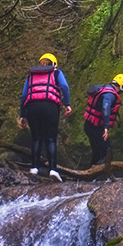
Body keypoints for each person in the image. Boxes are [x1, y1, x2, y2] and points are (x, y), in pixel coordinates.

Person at [18, 53, 71, 181]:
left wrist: (23, 115)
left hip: (32, 107)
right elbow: (64, 86)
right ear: (53, 64)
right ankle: (53, 169)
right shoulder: (56, 73)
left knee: (36, 138)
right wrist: (67, 104)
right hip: (50, 106)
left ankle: (34, 167)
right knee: (51, 139)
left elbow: (24, 95)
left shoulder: (31, 75)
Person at [83, 73, 123, 181]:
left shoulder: (105, 89)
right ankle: (100, 178)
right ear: (122, 86)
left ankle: (90, 177)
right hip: (96, 128)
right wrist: (106, 127)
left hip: (89, 126)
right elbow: (106, 107)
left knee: (97, 152)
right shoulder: (110, 94)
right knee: (107, 152)